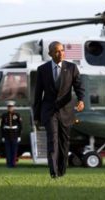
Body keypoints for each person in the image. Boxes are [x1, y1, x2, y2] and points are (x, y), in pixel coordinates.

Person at [33, 41, 85, 178]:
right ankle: (53, 172)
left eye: (62, 50)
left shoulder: (72, 68)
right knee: (53, 140)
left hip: (66, 111)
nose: (60, 53)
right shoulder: (42, 70)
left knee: (64, 142)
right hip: (49, 111)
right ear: (50, 53)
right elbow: (37, 95)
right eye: (57, 51)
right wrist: (36, 117)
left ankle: (62, 171)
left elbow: (79, 87)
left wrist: (81, 100)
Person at [0, 100, 22, 168]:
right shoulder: (4, 115)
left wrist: (19, 136)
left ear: (13, 107)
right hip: (7, 134)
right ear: (7, 108)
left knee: (14, 150)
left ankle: (13, 164)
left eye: (11, 107)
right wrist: (3, 136)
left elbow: (20, 126)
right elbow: (1, 126)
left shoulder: (17, 115)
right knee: (8, 150)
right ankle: (8, 164)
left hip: (14, 134)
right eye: (9, 107)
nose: (10, 108)